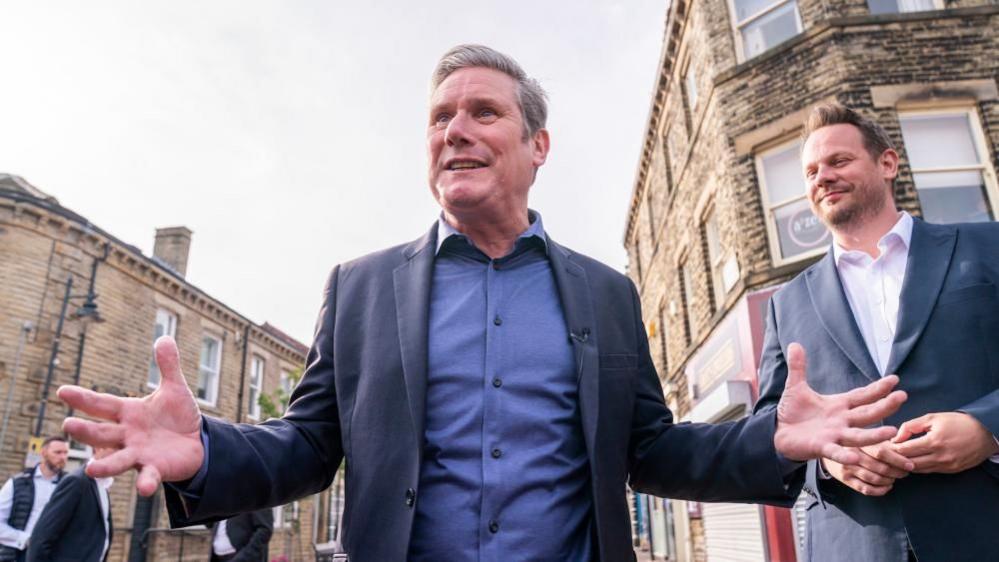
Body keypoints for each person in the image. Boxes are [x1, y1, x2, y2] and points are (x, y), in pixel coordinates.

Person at [58, 45, 906, 561]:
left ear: (538, 145)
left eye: (481, 112)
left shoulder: (605, 294)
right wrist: (205, 448)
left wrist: (773, 441)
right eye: (438, 117)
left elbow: (649, 451)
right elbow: (310, 447)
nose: (453, 130)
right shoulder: (359, 287)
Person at [754, 103, 999, 562]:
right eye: (810, 172)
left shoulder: (989, 247)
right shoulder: (785, 304)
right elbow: (767, 429)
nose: (821, 177)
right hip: (852, 545)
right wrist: (826, 461)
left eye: (838, 161)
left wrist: (989, 428)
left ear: (887, 163)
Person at [26, 446, 114, 562]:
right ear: (98, 447)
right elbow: (41, 538)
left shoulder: (102, 485)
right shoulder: (76, 481)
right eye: (117, 448)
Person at [0, 437, 68, 562]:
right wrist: (26, 539)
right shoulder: (17, 483)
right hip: (19, 554)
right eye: (58, 452)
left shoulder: (70, 486)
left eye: (65, 453)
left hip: (54, 555)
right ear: (43, 453)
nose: (63, 457)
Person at [208, 509, 273, 562]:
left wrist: (244, 557)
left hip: (242, 557)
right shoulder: (224, 498)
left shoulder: (256, 495)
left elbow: (264, 529)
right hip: (218, 557)